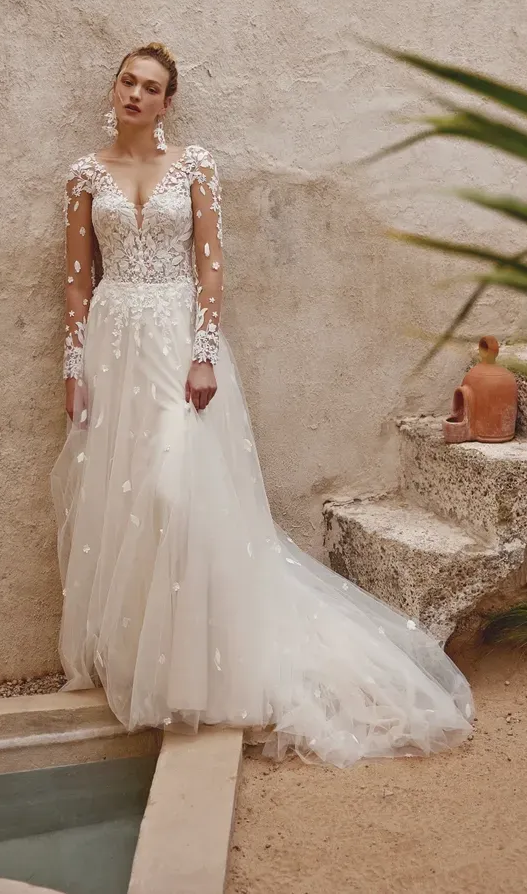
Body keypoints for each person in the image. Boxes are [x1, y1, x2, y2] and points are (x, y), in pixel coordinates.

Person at [50, 42, 474, 769]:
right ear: (115, 88)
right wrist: (73, 364)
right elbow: (77, 278)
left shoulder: (195, 166)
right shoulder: (86, 174)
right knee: (125, 499)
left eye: (150, 87)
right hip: (114, 344)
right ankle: (145, 663)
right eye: (128, 81)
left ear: (167, 102)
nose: (135, 94)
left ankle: (203, 666)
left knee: (179, 494)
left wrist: (203, 351)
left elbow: (211, 266)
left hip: (177, 335)